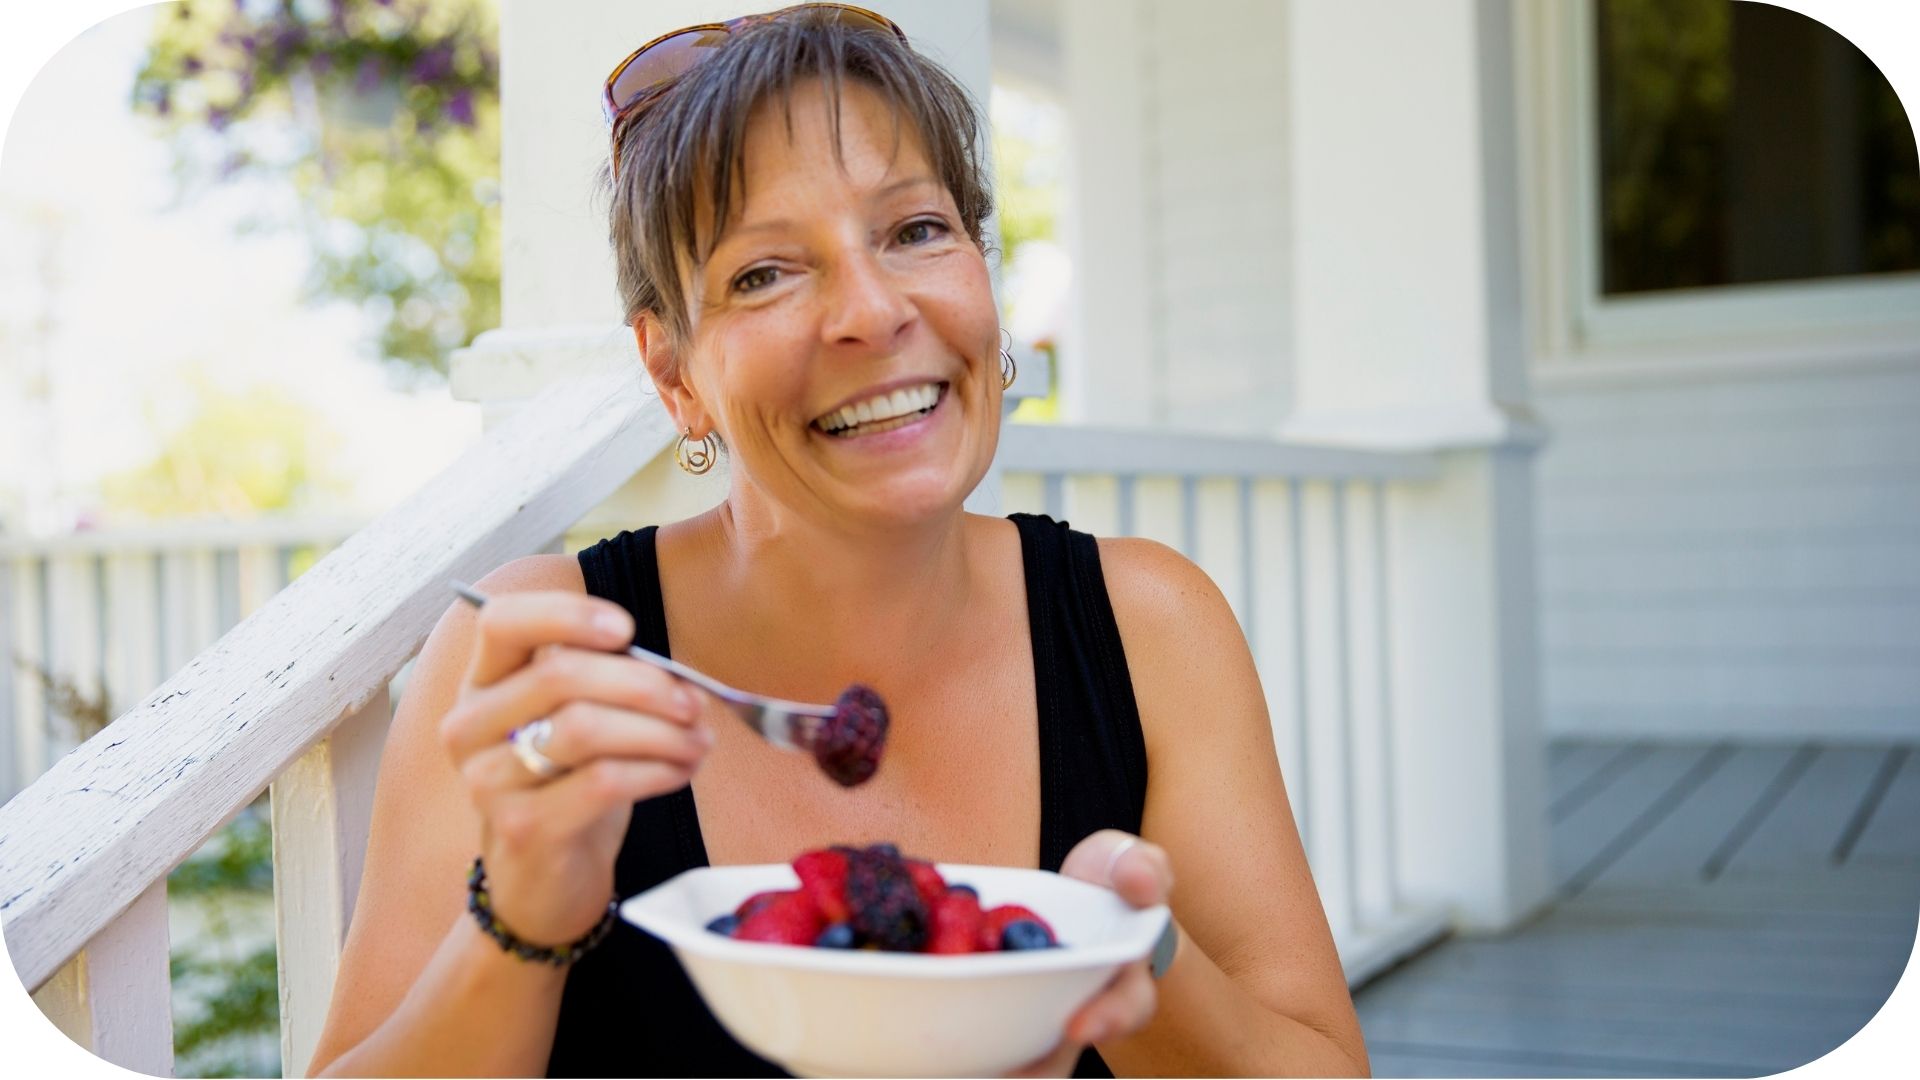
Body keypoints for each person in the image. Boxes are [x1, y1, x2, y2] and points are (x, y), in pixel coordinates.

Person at [306, 6, 1366, 1076]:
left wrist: (1133, 956)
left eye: (915, 232)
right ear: (674, 373)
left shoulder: (1149, 627)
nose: (872, 310)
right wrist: (529, 912)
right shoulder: (549, 663)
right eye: (765, 273)